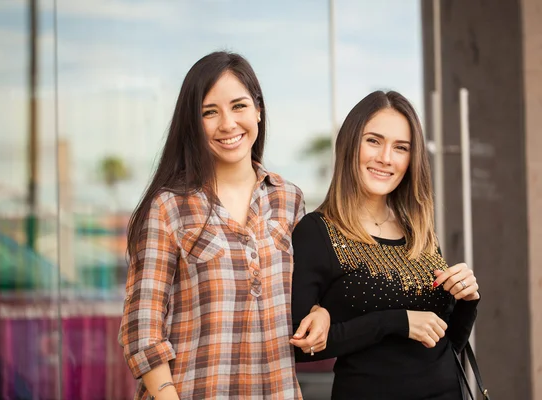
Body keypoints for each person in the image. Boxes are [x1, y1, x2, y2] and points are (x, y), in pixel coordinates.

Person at [119, 51, 329, 400]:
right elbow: (141, 327)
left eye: (239, 106)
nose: (228, 123)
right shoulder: (169, 206)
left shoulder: (288, 199)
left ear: (258, 110)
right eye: (209, 112)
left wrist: (320, 314)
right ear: (193, 123)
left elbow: (304, 298)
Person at [290, 90, 480, 400]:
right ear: (351, 144)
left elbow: (447, 343)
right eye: (374, 141)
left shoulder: (418, 230)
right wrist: (394, 322)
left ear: (411, 159)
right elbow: (297, 347)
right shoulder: (317, 232)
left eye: (401, 147)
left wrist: (468, 299)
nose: (385, 158)